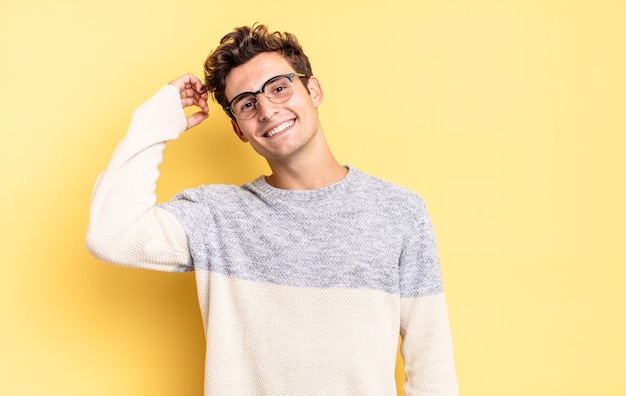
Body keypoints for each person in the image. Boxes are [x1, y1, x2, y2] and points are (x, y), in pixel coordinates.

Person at [86, 24, 458, 395]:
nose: (266, 109)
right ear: (238, 130)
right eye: (247, 104)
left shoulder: (398, 212)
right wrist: (158, 118)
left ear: (312, 90)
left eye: (279, 87)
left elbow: (431, 364)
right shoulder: (217, 217)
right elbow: (110, 234)